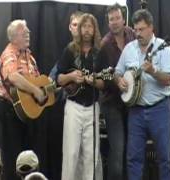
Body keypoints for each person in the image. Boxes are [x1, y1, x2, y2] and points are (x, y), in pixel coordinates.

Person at [115, 9, 170, 180]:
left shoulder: (163, 48)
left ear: (151, 28)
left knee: (164, 158)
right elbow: (117, 72)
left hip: (159, 108)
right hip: (136, 110)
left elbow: (168, 79)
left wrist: (154, 71)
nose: (138, 33)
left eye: (142, 29)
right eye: (136, 30)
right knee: (133, 159)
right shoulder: (129, 49)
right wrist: (119, 81)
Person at [55, 13, 105, 180]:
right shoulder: (70, 50)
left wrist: (93, 82)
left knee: (91, 156)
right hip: (73, 106)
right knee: (71, 153)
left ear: (94, 29)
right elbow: (59, 79)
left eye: (90, 26)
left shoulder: (99, 53)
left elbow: (105, 83)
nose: (87, 30)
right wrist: (72, 77)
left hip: (92, 107)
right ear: (80, 28)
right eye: (84, 26)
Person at [0, 19, 46, 180]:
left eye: (28, 31)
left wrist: (44, 90)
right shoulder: (9, 54)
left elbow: (38, 81)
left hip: (27, 113)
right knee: (13, 157)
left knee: (29, 157)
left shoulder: (29, 57)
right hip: (11, 111)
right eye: (24, 32)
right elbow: (13, 77)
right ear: (13, 37)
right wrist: (35, 90)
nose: (28, 33)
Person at [99, 3, 135, 180]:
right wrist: (115, 80)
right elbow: (102, 75)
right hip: (112, 103)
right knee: (118, 149)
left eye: (117, 18)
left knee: (132, 148)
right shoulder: (104, 44)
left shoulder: (132, 35)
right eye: (111, 19)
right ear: (108, 22)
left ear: (123, 19)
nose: (114, 22)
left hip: (133, 101)